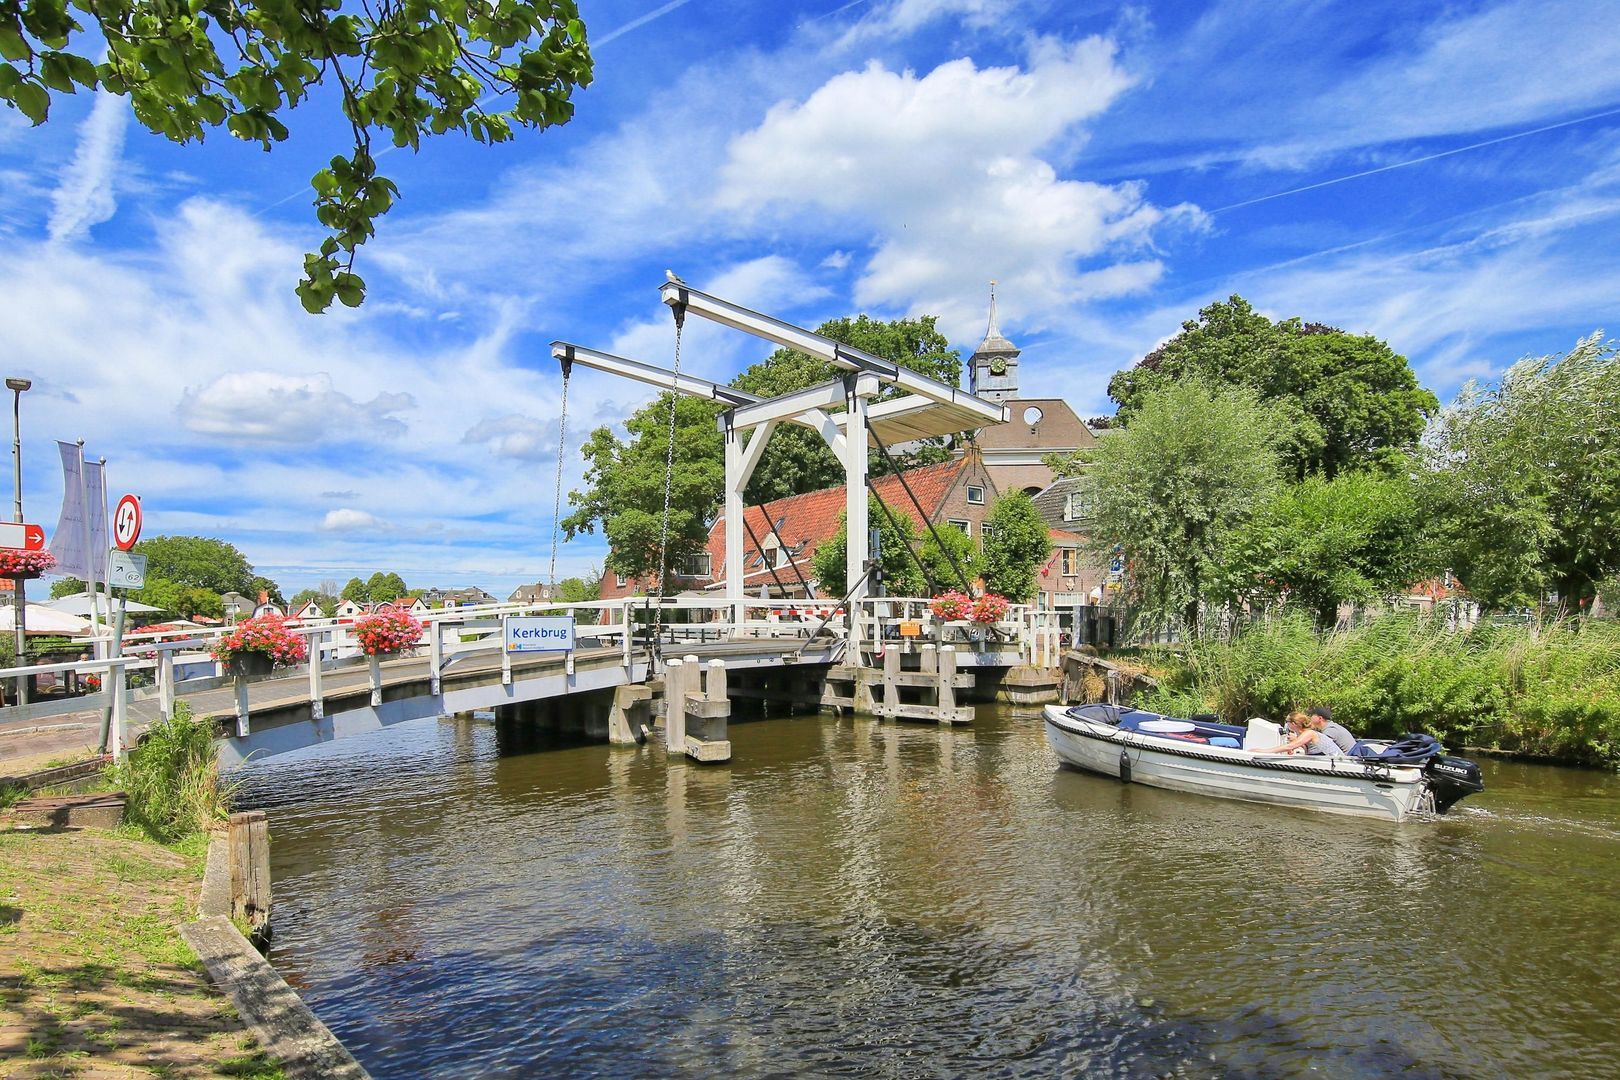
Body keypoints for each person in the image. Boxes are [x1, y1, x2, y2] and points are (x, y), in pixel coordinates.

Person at [1257, 711, 1343, 757]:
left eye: (1287, 721)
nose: (1286, 724)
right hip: (1325, 761)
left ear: (1293, 724)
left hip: (1336, 763)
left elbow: (1289, 746)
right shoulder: (1301, 735)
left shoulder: (1309, 733)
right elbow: (1305, 748)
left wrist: (1263, 751)